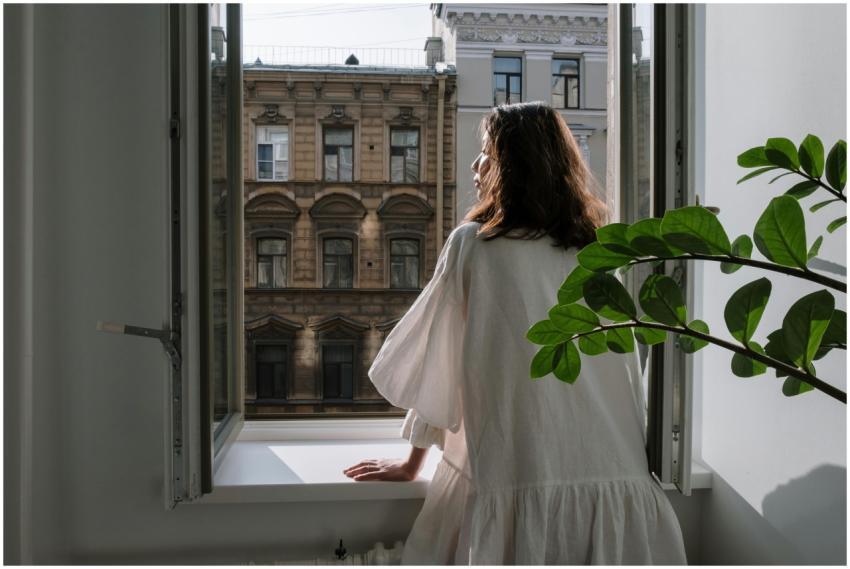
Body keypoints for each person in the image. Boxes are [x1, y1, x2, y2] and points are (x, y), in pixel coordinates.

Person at [343, 102, 687, 565]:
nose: (475, 165)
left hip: (515, 476)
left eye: (486, 152)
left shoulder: (475, 244)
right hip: (617, 480)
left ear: (513, 167)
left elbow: (436, 366)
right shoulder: (598, 249)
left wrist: (411, 465)